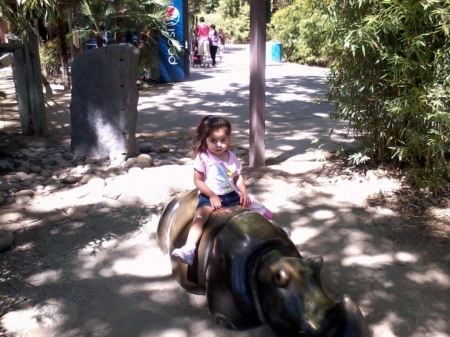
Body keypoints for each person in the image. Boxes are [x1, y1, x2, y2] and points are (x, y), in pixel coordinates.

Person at [171, 116, 251, 265]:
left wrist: (244, 192)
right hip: (210, 196)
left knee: (252, 211)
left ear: (228, 139)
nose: (218, 144)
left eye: (223, 140)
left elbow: (237, 177)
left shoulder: (231, 156)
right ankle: (189, 249)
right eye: (213, 141)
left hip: (231, 195)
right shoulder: (203, 157)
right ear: (205, 140)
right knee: (200, 217)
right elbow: (198, 180)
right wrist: (212, 195)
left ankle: (274, 233)